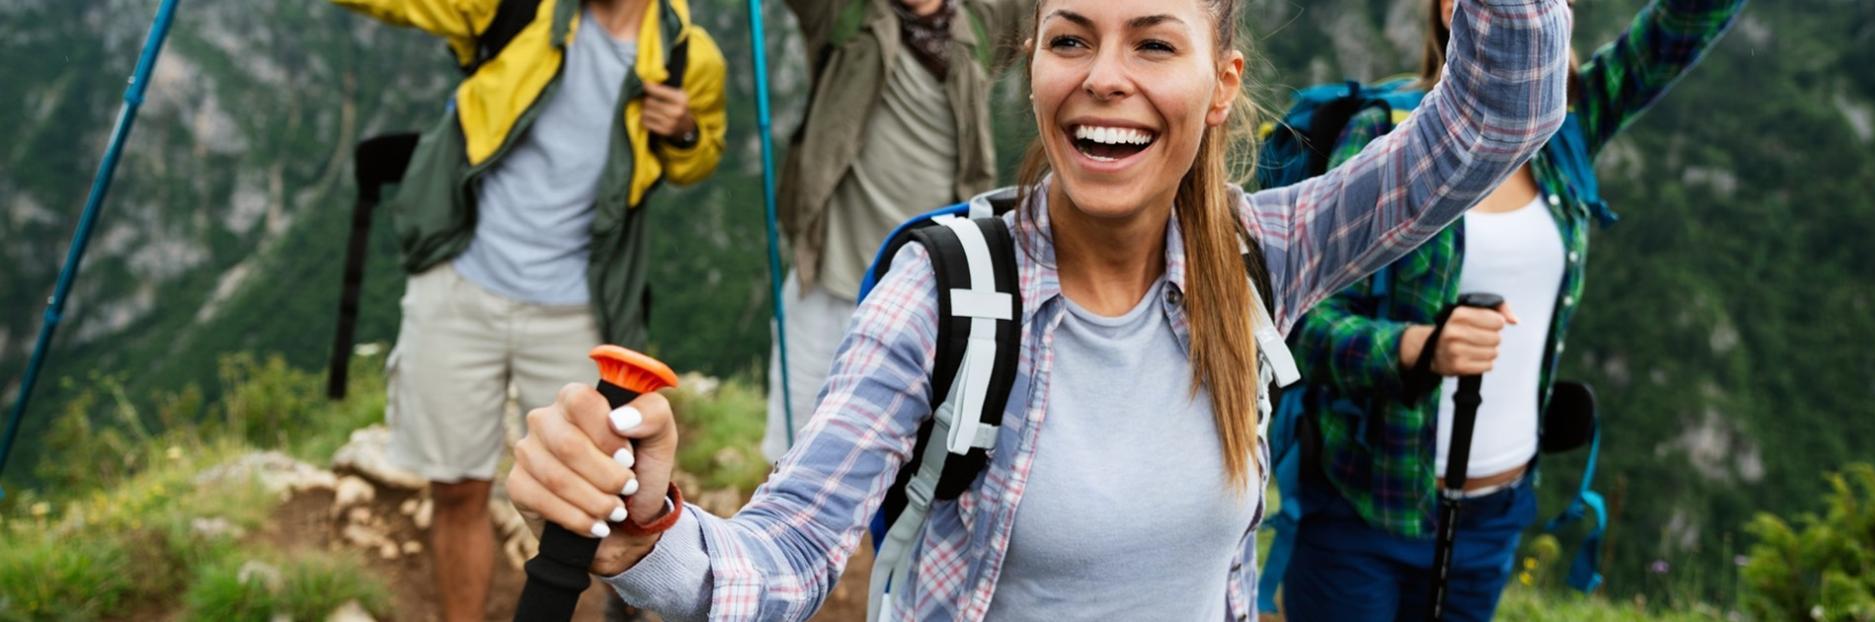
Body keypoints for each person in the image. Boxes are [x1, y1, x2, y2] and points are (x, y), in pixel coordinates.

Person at [506, 0, 1569, 617]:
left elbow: (1496, 117)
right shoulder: (945, 289)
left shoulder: (1265, 254)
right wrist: (646, 523)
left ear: (1222, 83)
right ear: (1034, 69)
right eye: (1070, 40)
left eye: (1154, 44)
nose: (1104, 78)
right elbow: (785, 557)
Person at [1281, 0, 1747, 619]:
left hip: (1495, 517)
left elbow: (1676, 32)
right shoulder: (1386, 133)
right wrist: (1416, 348)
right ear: (1452, 9)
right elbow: (1297, 319)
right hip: (1367, 511)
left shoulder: (1565, 133)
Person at [328, 0, 727, 619]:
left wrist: (683, 131)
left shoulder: (687, 54)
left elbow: (697, 160)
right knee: (456, 487)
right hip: (460, 287)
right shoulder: (515, 7)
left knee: (589, 510)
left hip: (580, 314)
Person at [763, 0, 1027, 462]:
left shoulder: (982, 24)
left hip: (933, 290)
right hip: (830, 276)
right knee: (792, 451)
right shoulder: (844, 17)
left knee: (912, 458)